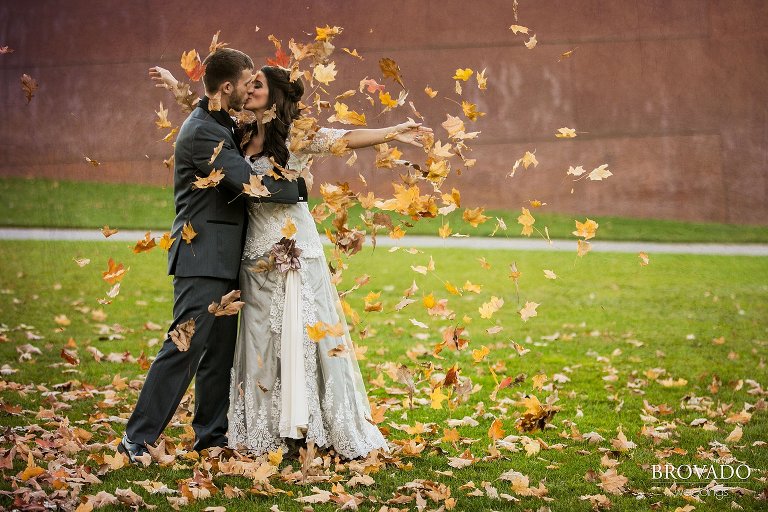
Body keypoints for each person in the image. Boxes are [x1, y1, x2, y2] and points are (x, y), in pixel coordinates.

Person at [150, 64, 432, 460]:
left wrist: (390, 133)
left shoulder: (296, 136)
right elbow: (209, 113)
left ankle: (302, 426)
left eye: (258, 85)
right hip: (251, 255)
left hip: (291, 247)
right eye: (247, 85)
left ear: (275, 95)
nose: (249, 90)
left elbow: (345, 138)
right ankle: (263, 429)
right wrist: (179, 86)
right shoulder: (240, 132)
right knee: (260, 340)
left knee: (297, 335)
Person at [119, 48, 259, 462]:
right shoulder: (204, 132)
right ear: (227, 87)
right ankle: (138, 437)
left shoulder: (219, 122)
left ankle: (211, 438)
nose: (252, 88)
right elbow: (244, 180)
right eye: (248, 81)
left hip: (224, 259)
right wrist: (293, 182)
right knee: (184, 347)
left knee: (217, 356)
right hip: (201, 257)